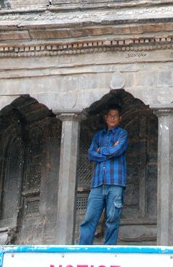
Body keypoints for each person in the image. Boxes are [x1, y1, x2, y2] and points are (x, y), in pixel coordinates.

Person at [78, 105, 128, 245]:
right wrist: (109, 151)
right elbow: (90, 153)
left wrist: (101, 151)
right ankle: (83, 250)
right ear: (105, 118)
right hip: (98, 184)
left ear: (120, 119)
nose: (112, 118)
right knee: (89, 218)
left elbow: (117, 151)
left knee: (112, 218)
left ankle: (109, 250)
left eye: (115, 116)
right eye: (110, 115)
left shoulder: (122, 134)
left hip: (116, 182)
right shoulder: (98, 135)